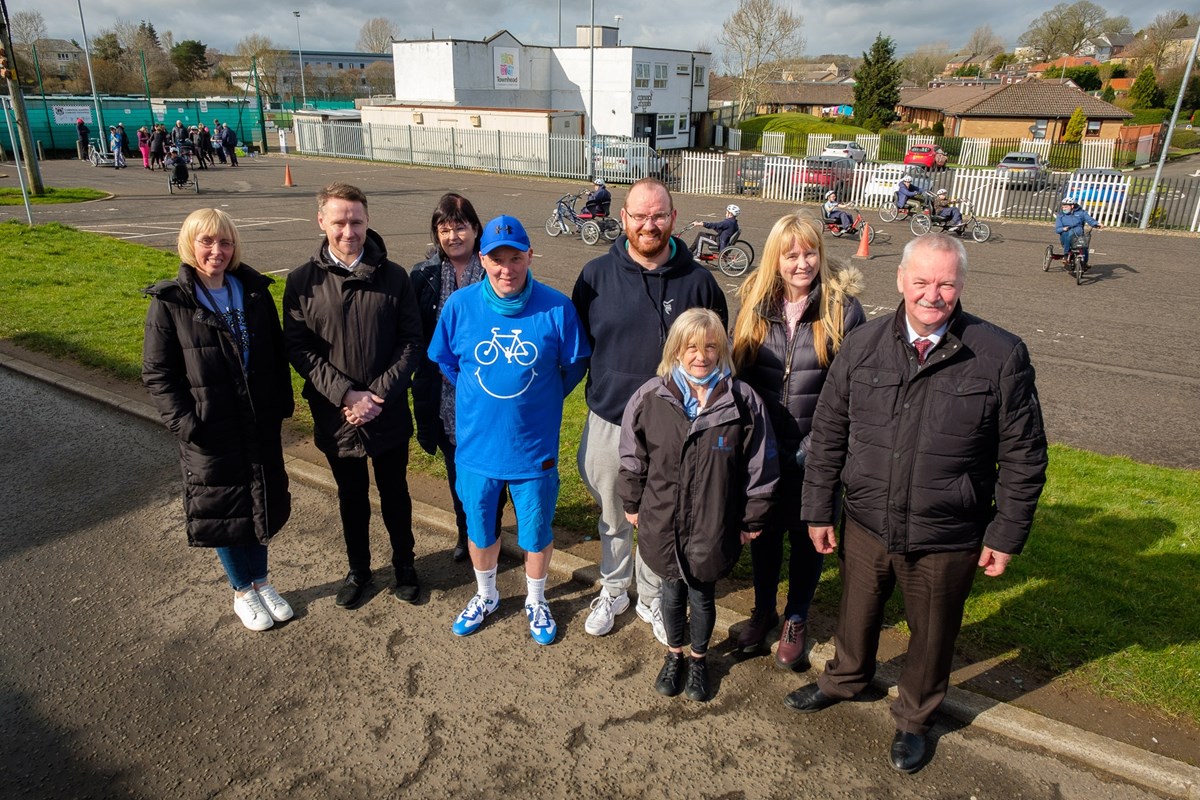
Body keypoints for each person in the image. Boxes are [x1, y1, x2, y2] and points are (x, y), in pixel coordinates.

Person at [784, 233, 1048, 775]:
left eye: (946, 283)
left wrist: (1005, 533)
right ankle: (845, 678)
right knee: (856, 612)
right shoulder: (863, 344)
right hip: (866, 520)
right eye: (922, 281)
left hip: (947, 531)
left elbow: (1024, 455)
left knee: (932, 632)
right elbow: (830, 430)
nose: (933, 294)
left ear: (961, 286)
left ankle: (914, 718)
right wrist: (817, 508)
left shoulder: (1000, 355)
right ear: (902, 280)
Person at [572, 178, 729, 643]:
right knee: (615, 511)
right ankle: (616, 586)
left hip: (673, 428)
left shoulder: (698, 280)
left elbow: (718, 347)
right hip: (610, 419)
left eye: (658, 215)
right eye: (639, 216)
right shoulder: (595, 276)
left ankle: (652, 595)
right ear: (623, 218)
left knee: (661, 516)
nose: (648, 225)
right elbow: (579, 344)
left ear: (673, 219)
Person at [427, 215, 590, 645]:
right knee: (480, 531)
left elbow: (573, 366)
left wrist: (541, 399)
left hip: (533, 451)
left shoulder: (557, 307)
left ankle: (536, 599)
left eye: (515, 258)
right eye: (496, 259)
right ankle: (487, 595)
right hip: (478, 450)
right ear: (483, 259)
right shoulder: (460, 306)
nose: (506, 269)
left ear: (529, 256)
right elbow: (446, 361)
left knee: (535, 532)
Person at [141, 208, 295, 632]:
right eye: (207, 241)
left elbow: (275, 354)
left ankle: (263, 582)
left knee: (259, 503)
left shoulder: (253, 291)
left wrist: (281, 404)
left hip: (258, 422)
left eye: (225, 242)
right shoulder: (171, 301)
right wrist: (188, 425)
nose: (217, 251)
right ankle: (242, 591)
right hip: (210, 427)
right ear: (190, 244)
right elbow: (157, 373)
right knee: (224, 509)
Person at [619, 308, 778, 702]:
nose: (701, 355)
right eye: (691, 347)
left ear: (722, 349)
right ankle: (674, 655)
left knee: (702, 594)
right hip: (663, 518)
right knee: (671, 592)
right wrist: (632, 501)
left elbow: (761, 464)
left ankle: (699, 657)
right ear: (676, 349)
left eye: (710, 346)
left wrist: (752, 516)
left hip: (714, 522)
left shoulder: (741, 401)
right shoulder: (651, 396)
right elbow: (632, 456)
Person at [730, 214, 865, 666]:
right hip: (763, 453)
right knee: (764, 534)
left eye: (809, 252)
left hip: (817, 453)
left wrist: (817, 447)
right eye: (791, 254)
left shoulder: (842, 308)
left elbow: (851, 392)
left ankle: (796, 617)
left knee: (810, 537)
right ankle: (764, 609)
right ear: (776, 258)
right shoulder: (754, 301)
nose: (801, 263)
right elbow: (742, 377)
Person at [283, 183, 424, 610]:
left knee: (396, 494)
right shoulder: (302, 282)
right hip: (335, 414)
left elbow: (412, 342)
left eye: (357, 221)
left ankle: (405, 567)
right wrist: (345, 394)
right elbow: (299, 348)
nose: (349, 230)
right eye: (340, 221)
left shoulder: (395, 277)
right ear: (322, 221)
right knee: (351, 498)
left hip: (387, 410)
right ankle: (359, 571)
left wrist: (375, 396)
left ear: (367, 222)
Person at [411, 193, 506, 562]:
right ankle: (465, 532)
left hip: (489, 391)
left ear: (476, 229)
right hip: (444, 393)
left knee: (495, 470)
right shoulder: (423, 275)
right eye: (444, 228)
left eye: (460, 227)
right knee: (458, 470)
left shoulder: (494, 269)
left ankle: (491, 531)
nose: (453, 236)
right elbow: (416, 338)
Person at [1055, 197, 1101, 270]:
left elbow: (1089, 219)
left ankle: (1084, 263)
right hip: (1065, 236)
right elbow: (1057, 229)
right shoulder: (1060, 216)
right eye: (1063, 206)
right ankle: (1066, 254)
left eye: (1066, 206)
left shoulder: (1081, 213)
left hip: (1078, 234)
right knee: (1068, 233)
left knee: (1084, 246)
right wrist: (1063, 229)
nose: (1064, 208)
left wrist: (1096, 224)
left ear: (1072, 206)